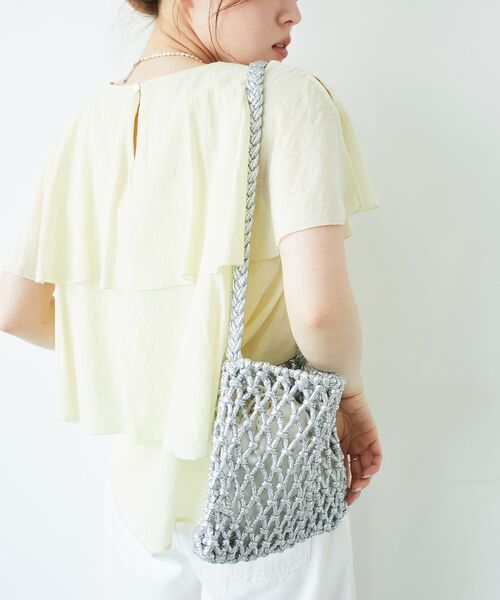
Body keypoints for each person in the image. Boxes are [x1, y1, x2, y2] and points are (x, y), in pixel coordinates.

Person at [0, 0, 383, 598]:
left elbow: (15, 311)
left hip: (137, 499)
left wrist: (153, 352)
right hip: (269, 475)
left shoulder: (87, 122)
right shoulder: (286, 97)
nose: (295, 14)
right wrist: (350, 397)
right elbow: (319, 311)